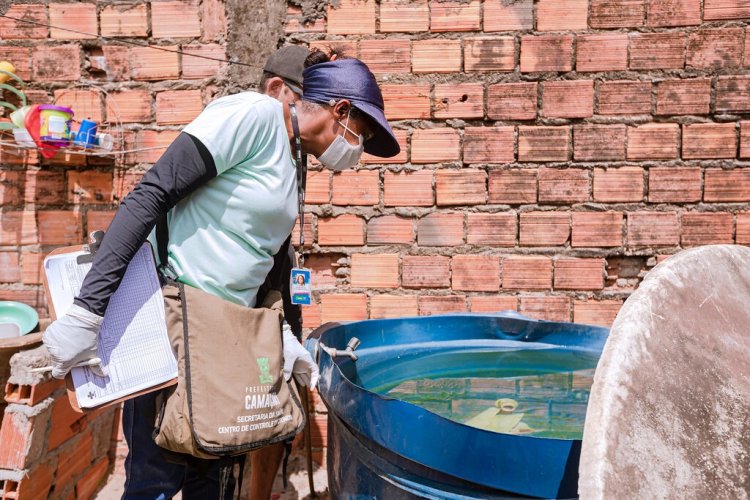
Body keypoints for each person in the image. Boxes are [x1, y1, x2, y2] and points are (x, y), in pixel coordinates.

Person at [41, 45, 400, 499]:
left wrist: (282, 337)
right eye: (361, 133)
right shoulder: (253, 116)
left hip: (224, 337)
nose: (358, 149)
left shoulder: (293, 160)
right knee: (157, 474)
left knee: (211, 470)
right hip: (175, 321)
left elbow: (267, 259)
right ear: (341, 109)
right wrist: (88, 312)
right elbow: (150, 195)